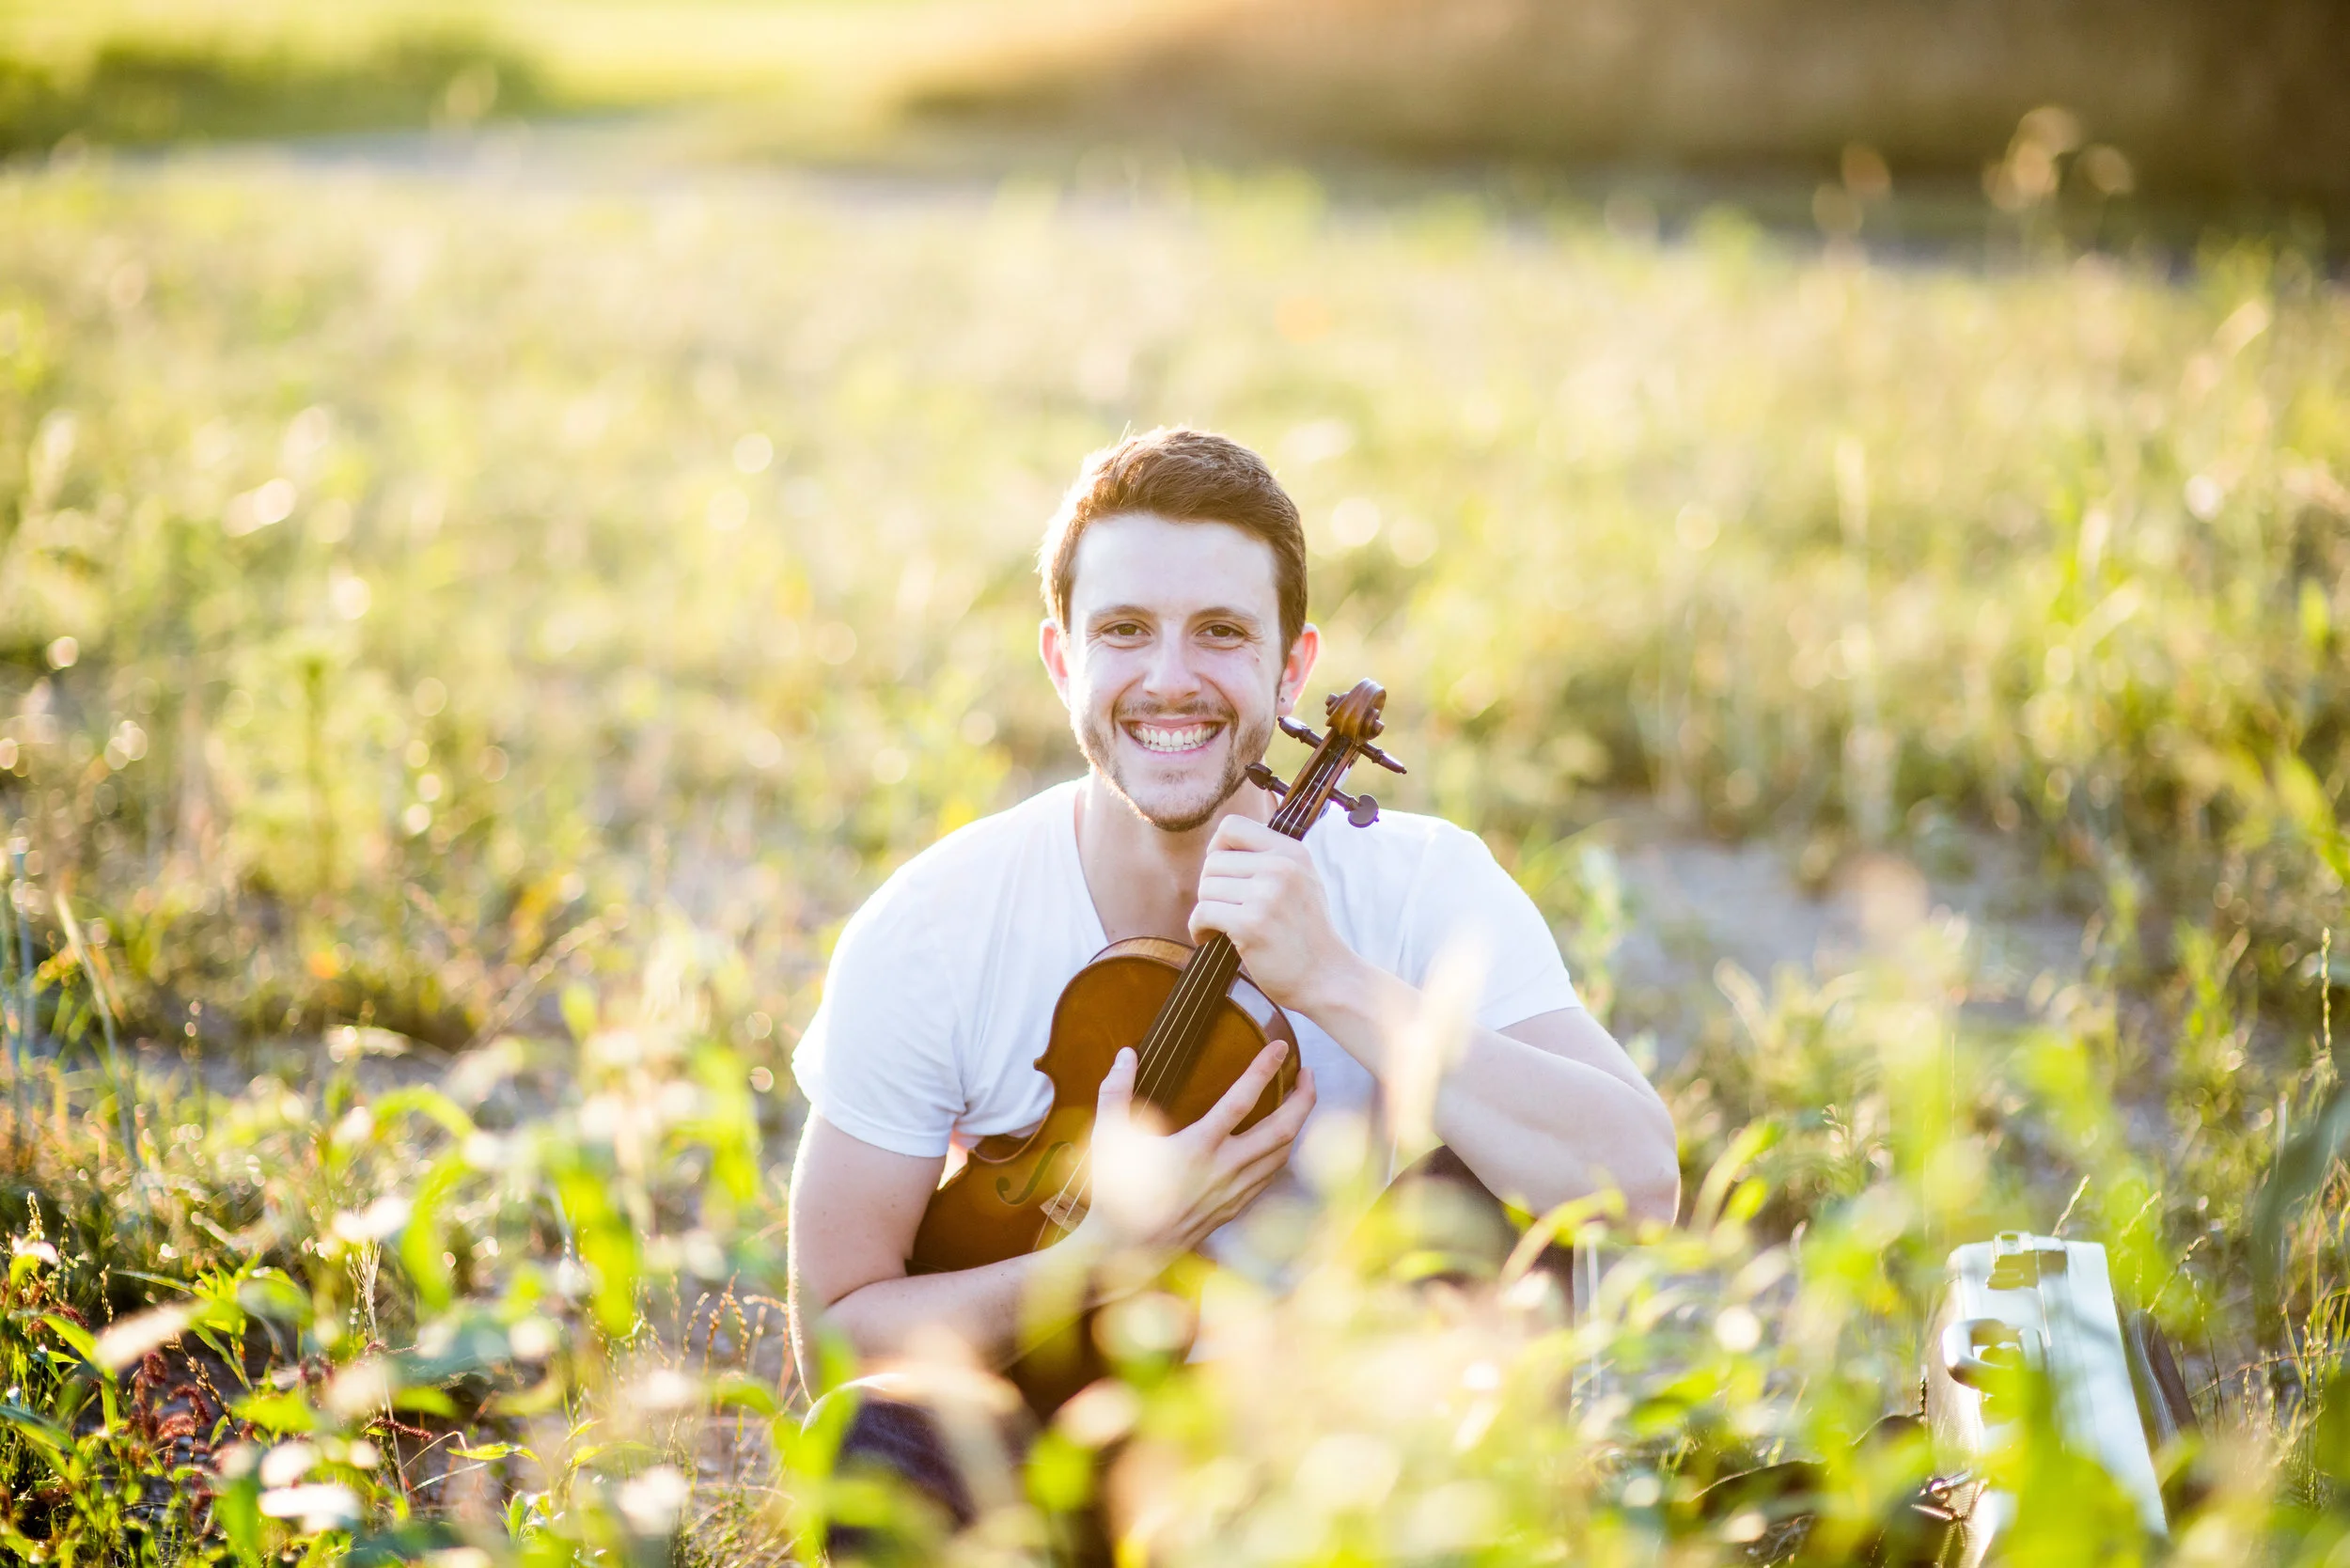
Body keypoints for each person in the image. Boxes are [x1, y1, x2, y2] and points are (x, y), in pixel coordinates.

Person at [787, 427, 1678, 1558]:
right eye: (1124, 630)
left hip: (1331, 1462)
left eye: (1220, 631)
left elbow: (1636, 1186)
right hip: (1047, 1462)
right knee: (872, 1437)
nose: (1169, 678)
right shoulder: (934, 928)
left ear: (1291, 668)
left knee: (1501, 1186)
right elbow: (838, 1336)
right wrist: (1096, 1258)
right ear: (1062, 660)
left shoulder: (1419, 884)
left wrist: (1336, 981)